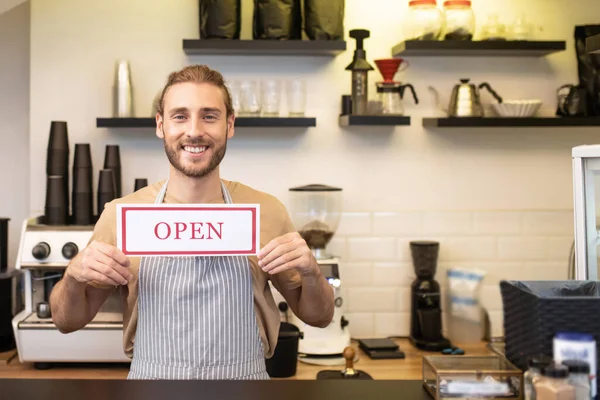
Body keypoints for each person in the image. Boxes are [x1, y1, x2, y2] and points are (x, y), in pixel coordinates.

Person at [49, 64, 335, 380]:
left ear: (230, 125)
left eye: (209, 116)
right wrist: (73, 276)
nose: (195, 131)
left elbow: (319, 317)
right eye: (180, 116)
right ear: (161, 125)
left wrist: (311, 272)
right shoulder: (122, 216)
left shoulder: (267, 211)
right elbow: (67, 321)